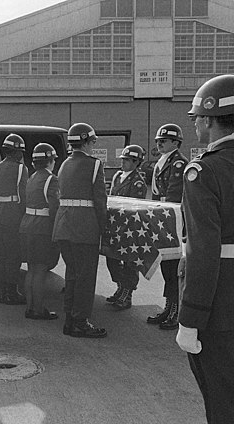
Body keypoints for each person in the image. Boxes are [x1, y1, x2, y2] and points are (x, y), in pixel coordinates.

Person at [177, 74, 234, 423]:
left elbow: (202, 252)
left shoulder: (204, 171)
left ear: (210, 120)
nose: (196, 123)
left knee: (222, 400)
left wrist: (191, 319)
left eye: (198, 117)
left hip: (220, 309)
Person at [54, 123, 108, 338]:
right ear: (87, 142)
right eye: (93, 142)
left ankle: (70, 319)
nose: (93, 146)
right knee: (85, 277)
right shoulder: (94, 165)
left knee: (72, 275)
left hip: (64, 226)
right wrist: (104, 230)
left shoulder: (64, 164)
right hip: (84, 228)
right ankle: (80, 322)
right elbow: (100, 201)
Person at [147, 123, 188, 330]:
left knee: (173, 267)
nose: (160, 144)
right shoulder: (162, 162)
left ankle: (176, 311)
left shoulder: (178, 163)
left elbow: (173, 193)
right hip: (162, 214)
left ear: (176, 142)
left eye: (164, 141)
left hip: (172, 216)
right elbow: (155, 193)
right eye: (158, 141)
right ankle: (168, 307)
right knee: (165, 265)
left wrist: (162, 214)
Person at [20, 143, 60, 320]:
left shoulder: (32, 177)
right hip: (42, 227)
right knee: (40, 270)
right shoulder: (52, 180)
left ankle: (30, 307)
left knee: (31, 269)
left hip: (27, 225)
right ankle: (38, 309)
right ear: (50, 161)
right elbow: (55, 208)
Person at [105, 145, 147, 310]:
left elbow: (135, 207)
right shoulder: (117, 176)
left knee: (130, 262)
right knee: (112, 259)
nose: (124, 163)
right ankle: (120, 287)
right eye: (123, 160)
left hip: (129, 227)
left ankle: (127, 293)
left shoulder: (137, 182)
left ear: (136, 163)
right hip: (115, 225)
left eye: (128, 160)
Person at [0, 133, 28, 305]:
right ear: (17, 151)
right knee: (14, 256)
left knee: (2, 255)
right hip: (11, 216)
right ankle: (11, 293)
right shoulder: (20, 168)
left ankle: (2, 291)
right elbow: (22, 196)